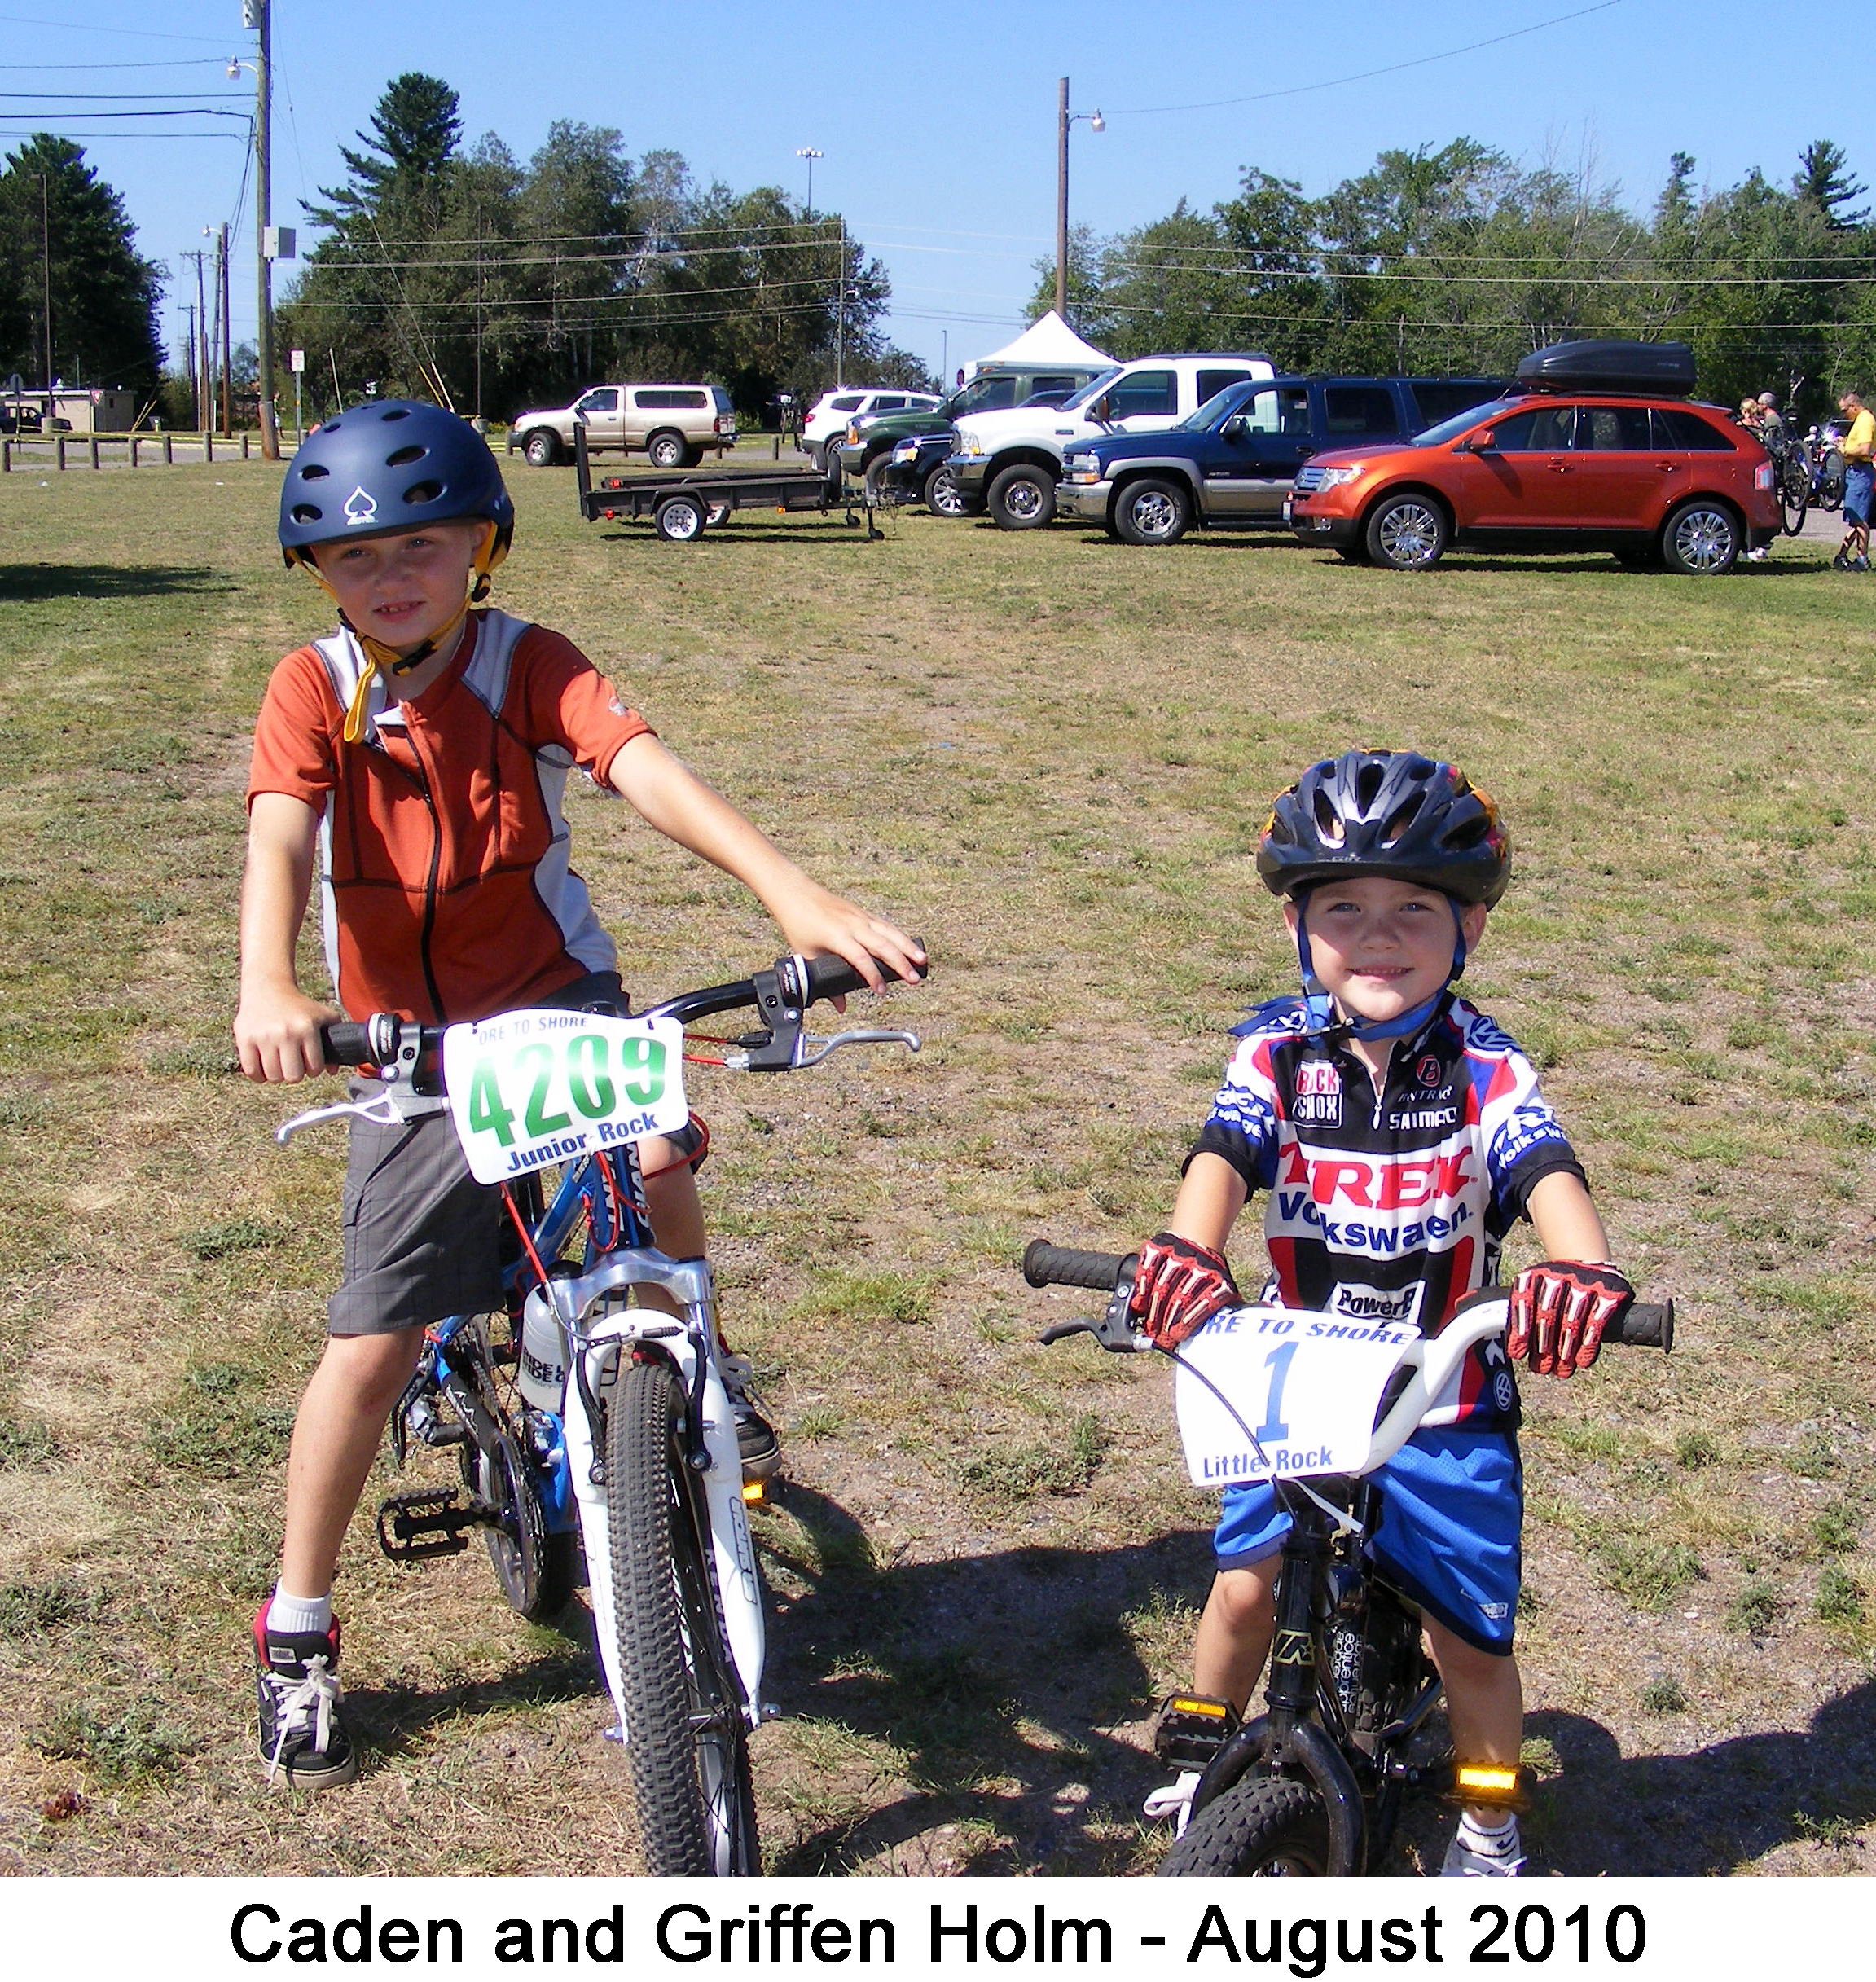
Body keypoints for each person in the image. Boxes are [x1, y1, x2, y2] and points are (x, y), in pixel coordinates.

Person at [236, 400, 925, 1791]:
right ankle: (297, 1625)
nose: (390, 577)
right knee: (375, 1339)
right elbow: (282, 829)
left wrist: (793, 892)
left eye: (421, 547)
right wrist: (267, 983)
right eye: (358, 557)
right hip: (406, 1040)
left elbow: (644, 771)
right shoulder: (314, 686)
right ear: (320, 573)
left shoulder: (524, 660)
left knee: (658, 1140)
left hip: (558, 999)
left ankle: (691, 1350)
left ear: (479, 547)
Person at [1128, 751, 1632, 1878]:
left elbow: (1542, 1166)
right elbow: (1223, 1149)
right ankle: (1197, 1753)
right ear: (1298, 926)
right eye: (1341, 909)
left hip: (1440, 1397)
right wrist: (1183, 1246)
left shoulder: (1483, 1065)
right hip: (1297, 1383)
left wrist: (1578, 1268)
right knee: (1243, 1585)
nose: (1377, 937)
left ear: (1470, 932)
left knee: (1465, 1638)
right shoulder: (1275, 1045)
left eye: (1415, 910)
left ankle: (1490, 1824)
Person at [1834, 389, 1874, 571]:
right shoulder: (1860, 421)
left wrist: (1846, 451)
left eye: (1844, 410)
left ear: (1853, 406)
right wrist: (1846, 442)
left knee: (1859, 520)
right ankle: (1841, 556)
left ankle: (1862, 560)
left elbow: (1865, 450)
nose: (1844, 414)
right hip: (1855, 472)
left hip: (1861, 472)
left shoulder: (1865, 420)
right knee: (1855, 519)